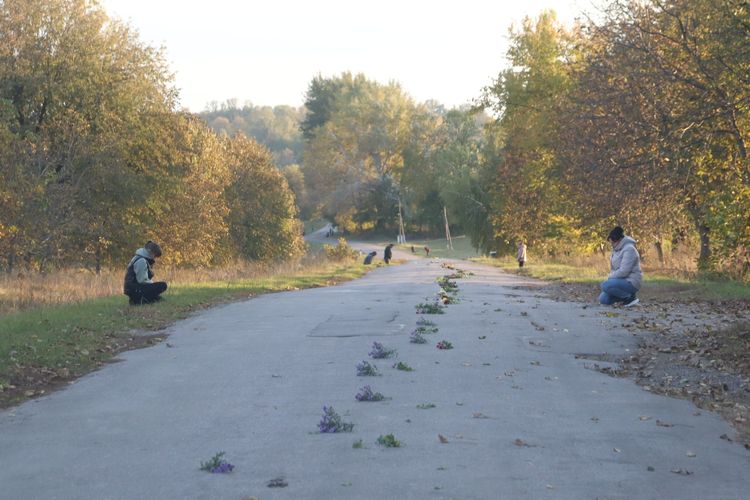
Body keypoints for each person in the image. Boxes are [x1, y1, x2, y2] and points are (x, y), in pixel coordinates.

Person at [599, 226, 642, 306]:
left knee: (605, 285)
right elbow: (614, 268)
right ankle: (623, 298)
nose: (611, 245)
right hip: (619, 281)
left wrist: (610, 277)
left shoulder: (629, 249)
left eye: (612, 243)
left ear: (618, 240)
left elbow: (624, 271)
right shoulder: (616, 250)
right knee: (603, 299)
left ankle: (630, 298)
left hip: (631, 282)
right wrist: (611, 279)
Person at [124, 241, 168, 305]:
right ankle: (140, 300)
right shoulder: (141, 261)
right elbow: (142, 280)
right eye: (155, 255)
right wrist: (152, 286)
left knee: (157, 297)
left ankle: (140, 300)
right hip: (135, 289)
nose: (154, 258)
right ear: (150, 252)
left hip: (132, 289)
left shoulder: (137, 257)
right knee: (163, 285)